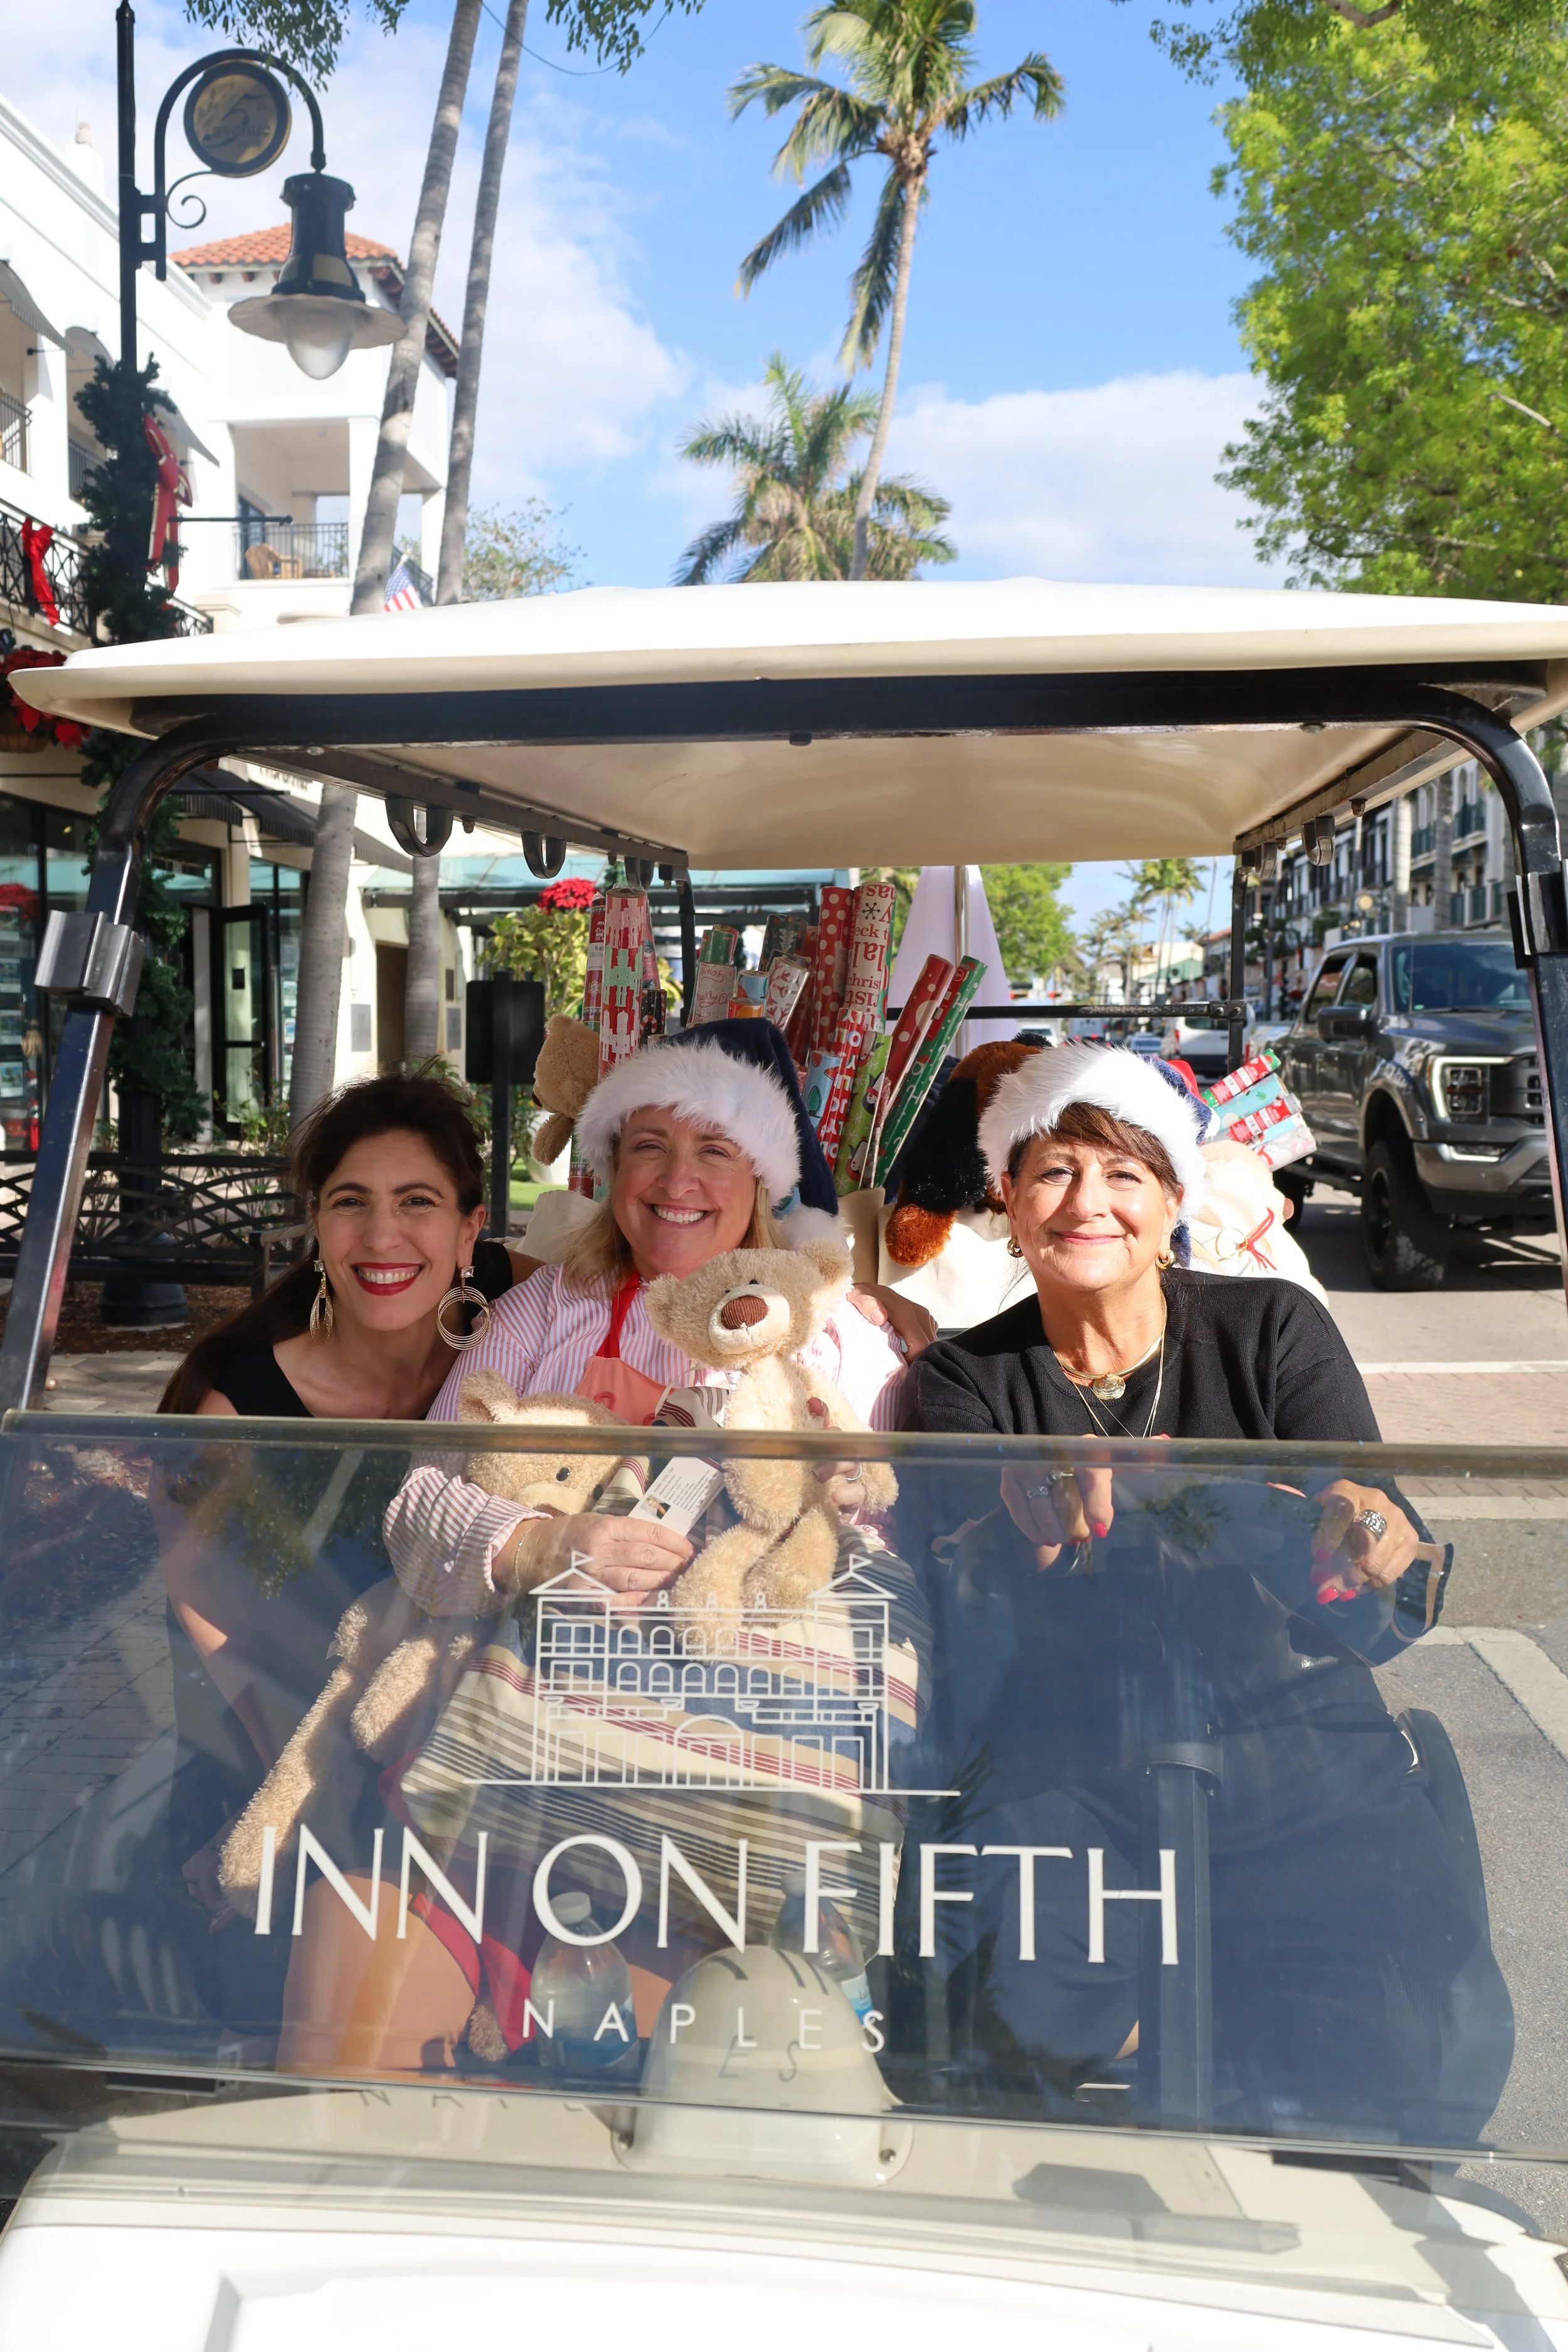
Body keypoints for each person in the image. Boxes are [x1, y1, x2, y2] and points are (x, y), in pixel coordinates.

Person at [893, 1044, 1504, 2143]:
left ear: (1174, 1197)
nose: (1089, 1203)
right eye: (1054, 1172)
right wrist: (1023, 1520)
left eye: (1124, 1174)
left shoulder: (1271, 1327)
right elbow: (962, 1574)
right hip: (1067, 1771)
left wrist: (1363, 1534)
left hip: (1296, 1752)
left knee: (1396, 2057)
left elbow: (1374, 1567)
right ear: (1010, 1201)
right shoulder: (961, 1376)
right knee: (987, 2039)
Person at [279, 1029, 920, 2071]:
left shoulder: (834, 1331)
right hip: (502, 1780)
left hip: (722, 1809)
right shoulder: (547, 1308)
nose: (677, 1179)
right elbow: (417, 1508)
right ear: (610, 1167)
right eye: (648, 1144)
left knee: (671, 2092)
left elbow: (899, 1554)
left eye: (714, 1149)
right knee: (338, 2041)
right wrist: (539, 1540)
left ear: (760, 1174)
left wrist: (838, 1504)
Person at [153, 1072, 511, 1947]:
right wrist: (307, 1781)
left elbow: (647, 1289)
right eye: (351, 1202)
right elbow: (197, 1592)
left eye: (417, 1201)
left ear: (470, 1230)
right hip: (283, 1765)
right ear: (317, 1223)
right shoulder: (237, 1403)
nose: (382, 1235)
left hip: (477, 1772)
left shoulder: (520, 1306)